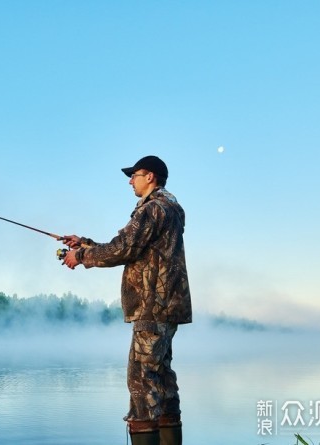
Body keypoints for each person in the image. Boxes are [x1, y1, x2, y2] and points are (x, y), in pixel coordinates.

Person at [61, 155, 192, 445]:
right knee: (161, 377)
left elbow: (124, 249)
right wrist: (86, 243)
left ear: (152, 177)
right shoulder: (168, 209)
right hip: (167, 307)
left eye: (135, 175)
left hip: (151, 307)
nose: (130, 180)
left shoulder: (152, 209)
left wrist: (80, 256)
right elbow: (135, 249)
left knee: (141, 379)